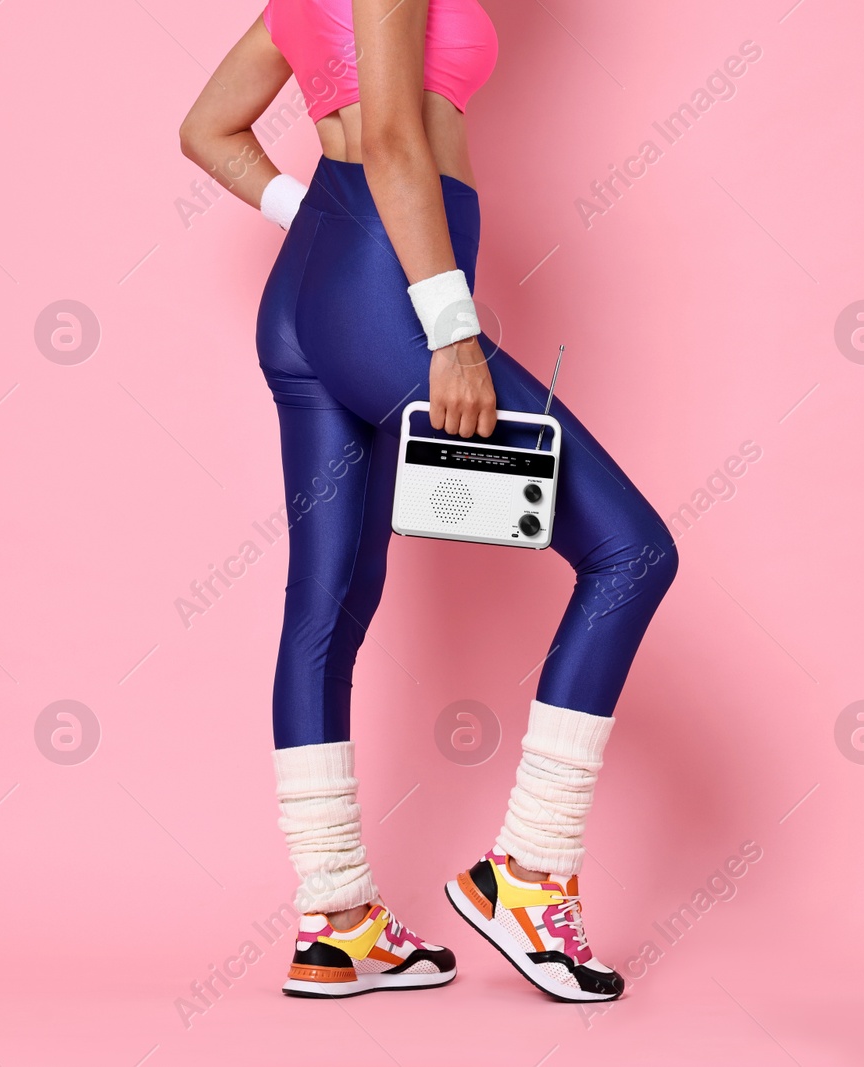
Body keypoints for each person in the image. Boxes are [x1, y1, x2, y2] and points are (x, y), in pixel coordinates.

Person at [179, 0, 678, 1004]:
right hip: (386, 292)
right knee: (631, 551)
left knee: (326, 608)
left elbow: (205, 130)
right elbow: (399, 132)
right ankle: (528, 874)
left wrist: (308, 219)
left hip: (314, 288)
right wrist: (451, 331)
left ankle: (337, 920)